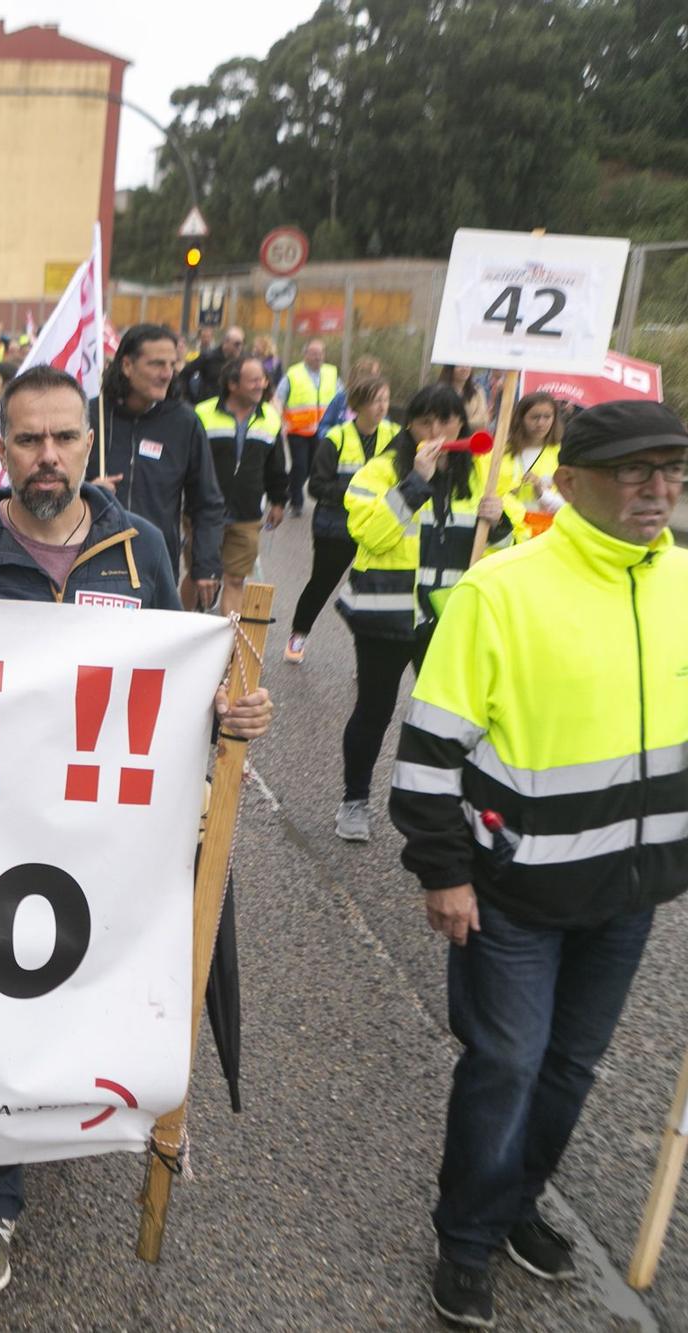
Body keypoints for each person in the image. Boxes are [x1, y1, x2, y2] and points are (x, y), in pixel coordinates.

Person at [0, 365, 274, 1297]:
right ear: (1, 450)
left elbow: (179, 680)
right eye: (27, 440)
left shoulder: (138, 544)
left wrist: (230, 713)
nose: (47, 456)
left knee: (83, 989)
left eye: (64, 437)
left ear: (87, 444)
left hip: (107, 835)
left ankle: (73, 1112)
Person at [390, 399, 688, 1330]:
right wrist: (445, 871)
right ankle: (468, 1242)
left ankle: (519, 1204)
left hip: (631, 889)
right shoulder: (500, 589)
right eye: (635, 470)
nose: (659, 488)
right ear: (567, 483)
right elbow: (429, 752)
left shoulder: (684, 580)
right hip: (512, 889)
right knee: (507, 1064)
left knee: (571, 1067)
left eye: (672, 468)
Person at [332, 383, 521, 843]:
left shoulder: (483, 473)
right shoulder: (379, 471)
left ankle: (457, 807)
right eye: (424, 421)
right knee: (374, 710)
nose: (435, 431)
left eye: (446, 420)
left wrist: (499, 523)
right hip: (386, 617)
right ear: (409, 425)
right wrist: (414, 482)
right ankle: (355, 800)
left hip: (450, 618)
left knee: (455, 717)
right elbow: (368, 534)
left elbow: (508, 552)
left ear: (462, 422)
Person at [87, 324, 227, 609]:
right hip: (87, 564)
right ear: (126, 365)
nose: (167, 373)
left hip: (153, 567)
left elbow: (207, 502)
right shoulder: (87, 415)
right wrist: (86, 491)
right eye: (156, 364)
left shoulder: (184, 423)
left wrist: (206, 565)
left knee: (146, 655)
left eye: (172, 364)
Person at [287, 376, 396, 661]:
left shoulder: (395, 436)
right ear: (357, 405)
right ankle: (298, 635)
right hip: (335, 528)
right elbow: (316, 486)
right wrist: (357, 490)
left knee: (370, 592)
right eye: (375, 401)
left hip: (376, 529)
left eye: (386, 399)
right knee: (321, 584)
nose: (382, 407)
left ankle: (365, 657)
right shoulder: (336, 438)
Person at [193, 357, 287, 615]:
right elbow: (186, 464)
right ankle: (184, 631)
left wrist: (279, 501)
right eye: (254, 380)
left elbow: (276, 465)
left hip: (247, 514)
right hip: (204, 514)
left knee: (235, 580)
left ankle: (227, 651)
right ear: (233, 384)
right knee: (199, 578)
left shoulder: (270, 418)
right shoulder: (201, 413)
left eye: (263, 379)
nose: (262, 385)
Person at [273, 338, 339, 515]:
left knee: (311, 468)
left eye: (320, 354)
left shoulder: (331, 373)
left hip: (323, 431)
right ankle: (296, 503)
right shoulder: (293, 374)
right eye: (313, 353)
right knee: (300, 465)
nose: (317, 357)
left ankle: (288, 486)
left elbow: (341, 399)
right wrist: (277, 419)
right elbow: (279, 398)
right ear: (305, 355)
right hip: (298, 430)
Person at [507, 391, 563, 536]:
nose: (541, 423)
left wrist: (541, 491)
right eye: (535, 417)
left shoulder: (561, 454)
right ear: (521, 418)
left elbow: (568, 505)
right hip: (507, 530)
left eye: (547, 417)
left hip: (542, 532)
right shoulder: (502, 452)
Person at [187, 326, 245, 403]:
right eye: (237, 344)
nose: (240, 347)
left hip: (231, 406)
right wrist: (188, 400)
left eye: (242, 343)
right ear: (226, 342)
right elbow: (185, 374)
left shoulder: (242, 361)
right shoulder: (208, 357)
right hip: (207, 405)